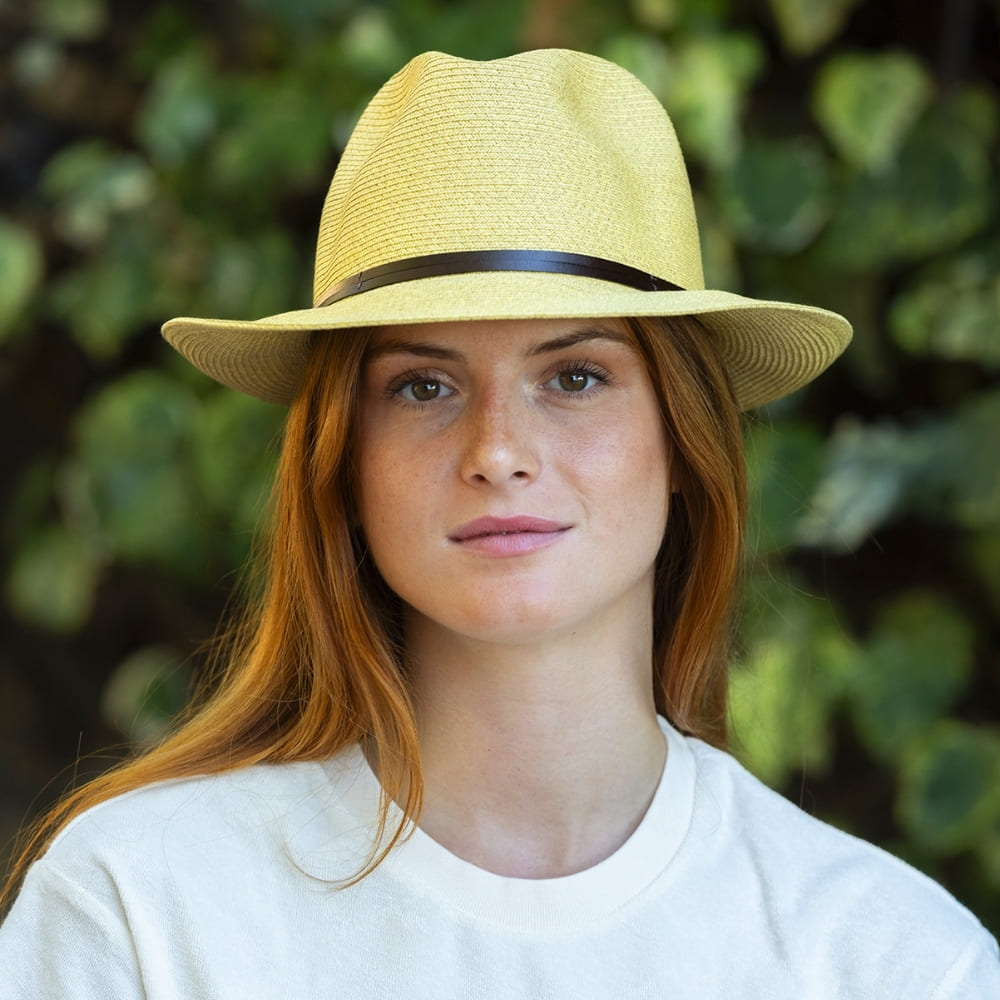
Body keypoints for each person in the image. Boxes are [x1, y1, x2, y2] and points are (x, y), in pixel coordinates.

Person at [1, 48, 997, 998]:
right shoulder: (135, 911)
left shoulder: (893, 964)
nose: (496, 448)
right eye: (424, 385)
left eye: (574, 376)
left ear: (684, 440)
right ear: (344, 461)